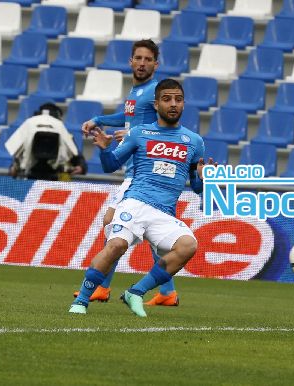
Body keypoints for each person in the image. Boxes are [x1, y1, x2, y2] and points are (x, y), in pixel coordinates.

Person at [69, 79, 216, 317]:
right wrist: (105, 149)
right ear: (156, 104)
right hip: (136, 202)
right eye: (167, 99)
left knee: (188, 245)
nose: (173, 104)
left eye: (178, 99)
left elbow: (197, 188)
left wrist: (205, 179)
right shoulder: (139, 133)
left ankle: (135, 292)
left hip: (164, 213)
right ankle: (82, 300)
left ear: (184, 104)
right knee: (116, 245)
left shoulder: (194, 142)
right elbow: (110, 166)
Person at [78, 39, 179, 306]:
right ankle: (168, 293)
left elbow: (164, 126)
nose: (142, 63)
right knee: (150, 236)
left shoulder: (154, 93)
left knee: (113, 225)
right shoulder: (137, 93)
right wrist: (100, 120)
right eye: (139, 58)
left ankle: (100, 286)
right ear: (130, 61)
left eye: (148, 59)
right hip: (135, 170)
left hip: (142, 172)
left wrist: (135, 135)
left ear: (156, 64)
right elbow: (127, 116)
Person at [6, 103, 87, 181]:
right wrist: (14, 167)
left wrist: (81, 167)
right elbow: (18, 158)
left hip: (56, 180)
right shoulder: (29, 130)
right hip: (31, 178)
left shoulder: (64, 135)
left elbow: (78, 158)